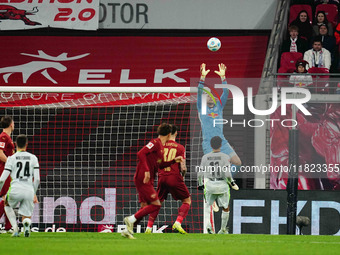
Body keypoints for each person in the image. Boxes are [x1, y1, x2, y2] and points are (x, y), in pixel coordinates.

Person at [121, 123, 183, 239]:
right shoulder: (155, 143)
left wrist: (174, 160)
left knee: (145, 206)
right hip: (143, 177)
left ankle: (127, 230)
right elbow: (141, 153)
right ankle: (130, 219)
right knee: (156, 205)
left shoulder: (160, 147)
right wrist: (146, 170)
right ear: (169, 134)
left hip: (147, 178)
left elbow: (161, 165)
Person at [145, 125, 190, 234]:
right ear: (176, 133)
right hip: (174, 177)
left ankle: (148, 228)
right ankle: (178, 222)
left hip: (162, 178)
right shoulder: (180, 147)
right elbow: (183, 167)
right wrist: (183, 175)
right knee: (187, 200)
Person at [197, 63, 241, 168]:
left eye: (212, 95)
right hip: (209, 143)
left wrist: (223, 77)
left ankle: (226, 176)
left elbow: (225, 92)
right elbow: (199, 92)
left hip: (222, 142)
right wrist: (202, 77)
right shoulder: (202, 108)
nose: (211, 97)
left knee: (237, 162)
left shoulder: (219, 106)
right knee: (212, 167)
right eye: (208, 95)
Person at [0, 135, 40, 237]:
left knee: (7, 205)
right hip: (28, 189)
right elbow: (37, 179)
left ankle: (15, 229)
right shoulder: (33, 158)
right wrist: (34, 193)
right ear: (27, 144)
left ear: (16, 144)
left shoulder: (11, 159)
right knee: (26, 214)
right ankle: (26, 224)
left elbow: (2, 179)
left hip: (15, 189)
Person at [197, 136, 239, 234]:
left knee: (207, 206)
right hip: (222, 185)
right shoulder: (225, 157)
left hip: (210, 184)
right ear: (221, 145)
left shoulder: (205, 157)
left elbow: (200, 173)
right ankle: (223, 229)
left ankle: (208, 225)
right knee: (225, 207)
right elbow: (227, 174)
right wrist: (232, 182)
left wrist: (200, 184)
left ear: (211, 145)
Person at [0, 116, 14, 233]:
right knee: (5, 197)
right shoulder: (3, 137)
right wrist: (10, 163)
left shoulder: (7, 137)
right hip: (3, 169)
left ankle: (8, 226)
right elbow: (0, 154)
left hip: (7, 169)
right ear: (10, 124)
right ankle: (8, 226)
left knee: (8, 197)